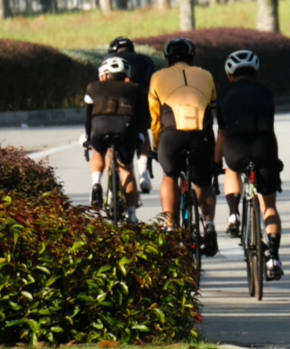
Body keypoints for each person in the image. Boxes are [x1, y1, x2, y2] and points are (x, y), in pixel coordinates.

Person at [216, 50, 285, 280]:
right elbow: (270, 128)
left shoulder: (224, 93)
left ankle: (234, 214)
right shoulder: (265, 92)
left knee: (231, 169)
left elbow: (222, 133)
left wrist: (216, 163)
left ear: (230, 75)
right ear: (255, 73)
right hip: (264, 147)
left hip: (235, 148)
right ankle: (273, 256)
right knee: (269, 206)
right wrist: (274, 160)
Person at [149, 37, 219, 256]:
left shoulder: (157, 77)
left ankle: (170, 228)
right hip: (202, 136)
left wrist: (156, 146)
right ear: (192, 56)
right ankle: (209, 225)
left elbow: (155, 118)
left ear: (168, 58)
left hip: (171, 138)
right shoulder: (206, 75)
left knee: (169, 176)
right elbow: (213, 110)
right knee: (203, 182)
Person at [84, 56, 150, 223]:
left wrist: (87, 136)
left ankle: (96, 184)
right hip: (125, 126)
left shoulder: (93, 87)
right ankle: (132, 215)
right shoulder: (135, 89)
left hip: (99, 126)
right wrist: (139, 137)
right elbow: (140, 119)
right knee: (127, 168)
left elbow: (88, 117)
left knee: (98, 155)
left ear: (105, 75)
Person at [109, 37, 157, 193]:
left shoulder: (108, 60)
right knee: (142, 131)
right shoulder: (146, 60)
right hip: (141, 100)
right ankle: (144, 173)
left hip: (114, 103)